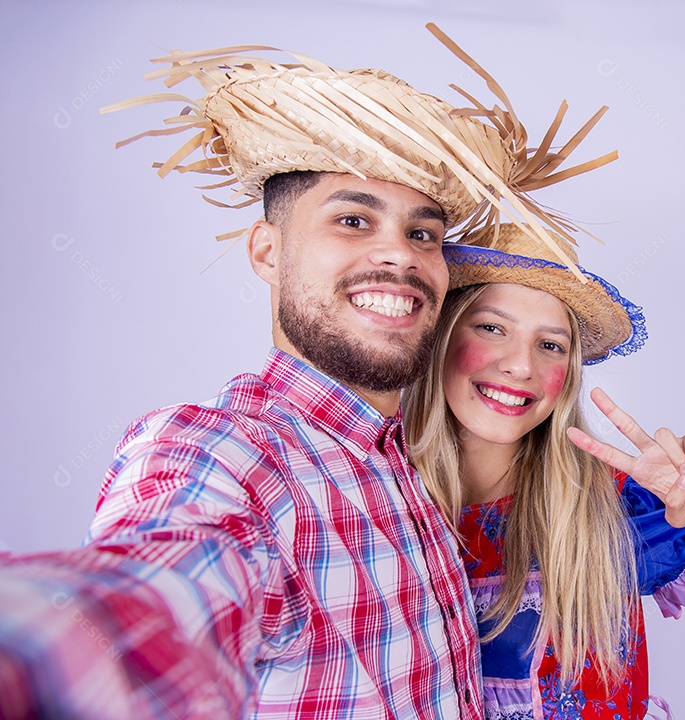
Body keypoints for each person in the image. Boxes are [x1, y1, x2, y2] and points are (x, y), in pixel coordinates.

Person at [0, 36, 604, 718]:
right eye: (353, 220)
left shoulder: (414, 458)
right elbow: (144, 601)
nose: (397, 257)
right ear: (267, 250)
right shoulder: (227, 455)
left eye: (423, 234)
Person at [403, 224, 685, 719]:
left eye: (550, 345)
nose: (521, 366)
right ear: (440, 336)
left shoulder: (611, 501)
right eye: (492, 328)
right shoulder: (374, 495)